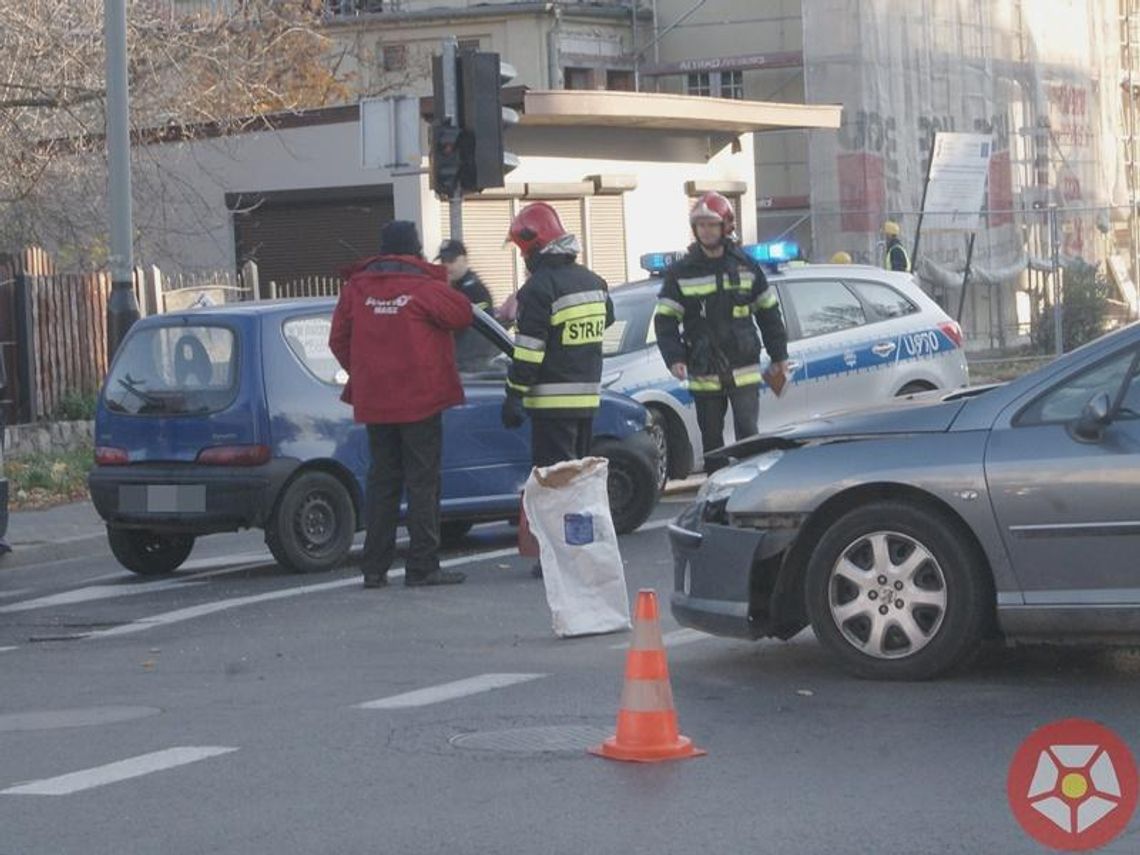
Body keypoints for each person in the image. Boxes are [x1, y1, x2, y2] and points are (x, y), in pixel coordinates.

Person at [329, 220, 473, 589]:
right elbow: (462, 315)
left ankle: (375, 569)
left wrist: (365, 372)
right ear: (416, 250)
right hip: (421, 399)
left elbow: (338, 340)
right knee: (423, 483)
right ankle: (422, 566)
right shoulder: (424, 287)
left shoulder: (357, 288)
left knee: (382, 483)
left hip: (377, 402)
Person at [500, 203, 613, 577]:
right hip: (587, 402)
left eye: (523, 250)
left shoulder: (539, 289)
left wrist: (515, 394)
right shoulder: (594, 282)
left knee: (555, 487)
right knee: (579, 483)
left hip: (551, 405)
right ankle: (579, 551)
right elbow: (606, 320)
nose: (523, 258)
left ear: (536, 246)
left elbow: (529, 350)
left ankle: (559, 557)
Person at [653, 191, 789, 464]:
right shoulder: (682, 271)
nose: (705, 231)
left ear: (726, 226)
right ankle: (716, 493)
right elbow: (665, 319)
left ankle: (750, 488)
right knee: (712, 440)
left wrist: (779, 356)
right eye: (700, 225)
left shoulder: (746, 266)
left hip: (744, 368)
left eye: (711, 224)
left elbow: (768, 313)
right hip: (704, 368)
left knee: (749, 435)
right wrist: (675, 358)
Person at [436, 238, 498, 370]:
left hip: (472, 366)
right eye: (443, 261)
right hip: (460, 363)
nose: (446, 265)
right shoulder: (452, 288)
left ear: (465, 260)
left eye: (451, 260)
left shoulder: (475, 291)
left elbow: (476, 335)